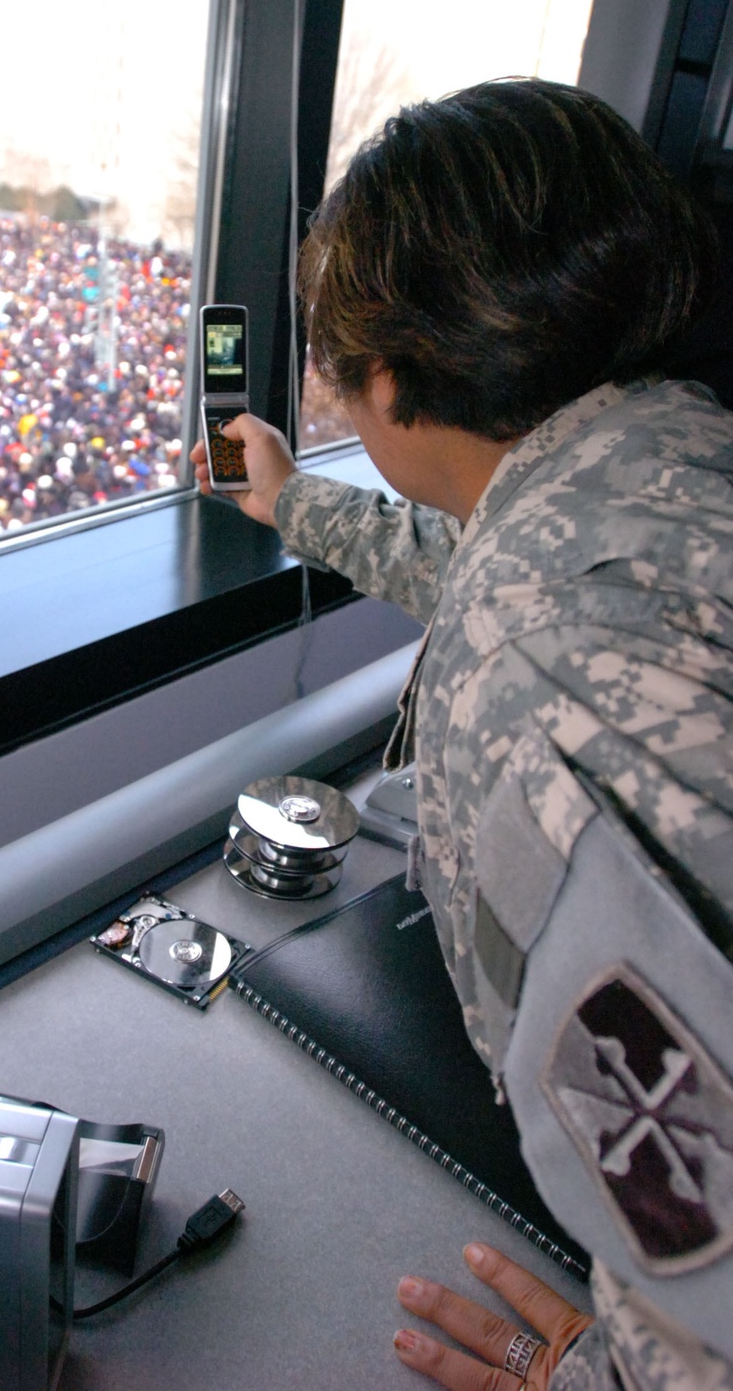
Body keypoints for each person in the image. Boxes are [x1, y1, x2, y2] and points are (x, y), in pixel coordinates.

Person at [192, 79, 733, 1390]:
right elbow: (501, 555)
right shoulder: (676, 445)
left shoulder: (526, 705)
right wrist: (293, 506)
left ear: (384, 378)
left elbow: (701, 1244)